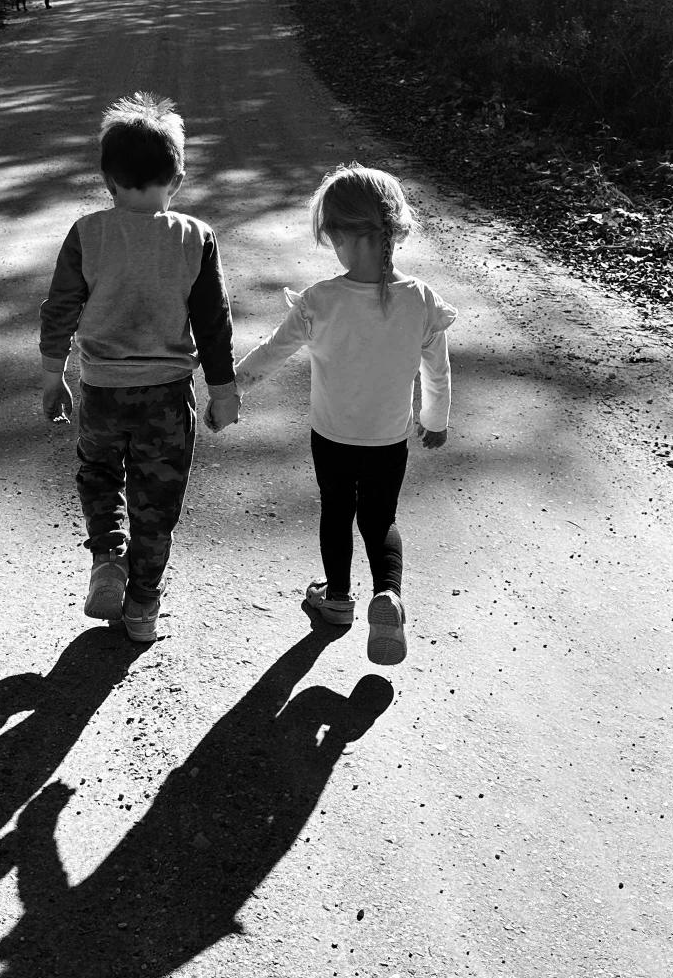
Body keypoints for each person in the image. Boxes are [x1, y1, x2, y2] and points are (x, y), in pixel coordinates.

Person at [40, 94, 240, 643]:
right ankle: (144, 605)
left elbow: (61, 308)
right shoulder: (195, 237)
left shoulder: (88, 233)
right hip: (167, 398)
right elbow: (212, 322)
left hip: (102, 389)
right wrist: (223, 390)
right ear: (176, 178)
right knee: (158, 503)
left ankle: (107, 556)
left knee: (99, 474)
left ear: (108, 180)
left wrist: (51, 374)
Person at [236, 163, 454, 665]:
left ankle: (336, 599)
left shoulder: (321, 301)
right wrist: (435, 420)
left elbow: (272, 351)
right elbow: (437, 373)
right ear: (394, 229)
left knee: (337, 513)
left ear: (334, 234)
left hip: (332, 437)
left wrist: (232, 389)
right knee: (380, 520)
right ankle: (389, 596)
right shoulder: (420, 300)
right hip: (388, 440)